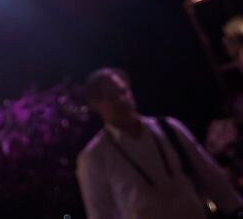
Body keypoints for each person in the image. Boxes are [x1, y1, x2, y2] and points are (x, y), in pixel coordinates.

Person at [77, 67, 242, 218]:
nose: (122, 100)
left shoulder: (169, 128)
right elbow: (100, 213)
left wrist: (235, 208)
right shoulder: (94, 157)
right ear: (96, 105)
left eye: (123, 91)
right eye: (111, 97)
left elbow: (209, 173)